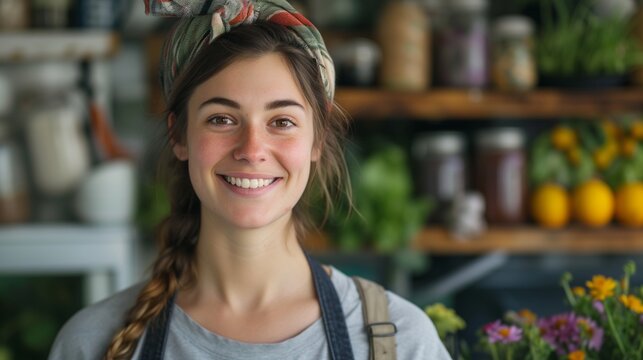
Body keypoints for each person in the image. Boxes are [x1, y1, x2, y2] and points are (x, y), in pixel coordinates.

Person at [48, 1, 451, 359]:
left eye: (282, 121)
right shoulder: (94, 342)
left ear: (318, 139)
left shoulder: (400, 342)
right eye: (222, 119)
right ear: (179, 135)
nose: (252, 148)